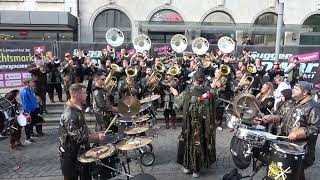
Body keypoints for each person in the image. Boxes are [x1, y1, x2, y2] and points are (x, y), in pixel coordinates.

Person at [263, 81, 320, 180]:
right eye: (294, 88)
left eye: (296, 89)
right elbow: (281, 116)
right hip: (285, 142)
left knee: (296, 171)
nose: (293, 90)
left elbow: (315, 128)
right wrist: (272, 118)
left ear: (305, 92)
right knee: (287, 171)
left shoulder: (313, 107)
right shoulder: (290, 101)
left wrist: (299, 133)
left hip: (301, 148)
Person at [171, 71, 216, 178]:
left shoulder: (188, 91)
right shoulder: (209, 91)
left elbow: (177, 103)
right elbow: (215, 101)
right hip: (203, 124)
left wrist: (175, 93)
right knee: (199, 142)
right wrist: (213, 88)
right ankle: (197, 170)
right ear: (203, 81)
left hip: (189, 123)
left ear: (193, 80)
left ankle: (187, 167)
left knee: (189, 143)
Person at [59, 83, 106, 180]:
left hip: (79, 150)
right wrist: (96, 138)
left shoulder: (78, 107)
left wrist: (93, 133)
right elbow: (78, 137)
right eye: (84, 93)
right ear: (76, 95)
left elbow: (82, 127)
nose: (87, 95)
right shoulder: (70, 114)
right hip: (70, 153)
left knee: (86, 175)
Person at [20, 78, 38, 144]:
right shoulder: (24, 91)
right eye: (31, 82)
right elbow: (25, 103)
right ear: (27, 83)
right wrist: (28, 110)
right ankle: (28, 138)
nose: (33, 83)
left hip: (32, 109)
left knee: (31, 123)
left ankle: (31, 135)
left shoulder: (30, 90)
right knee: (28, 124)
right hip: (28, 110)